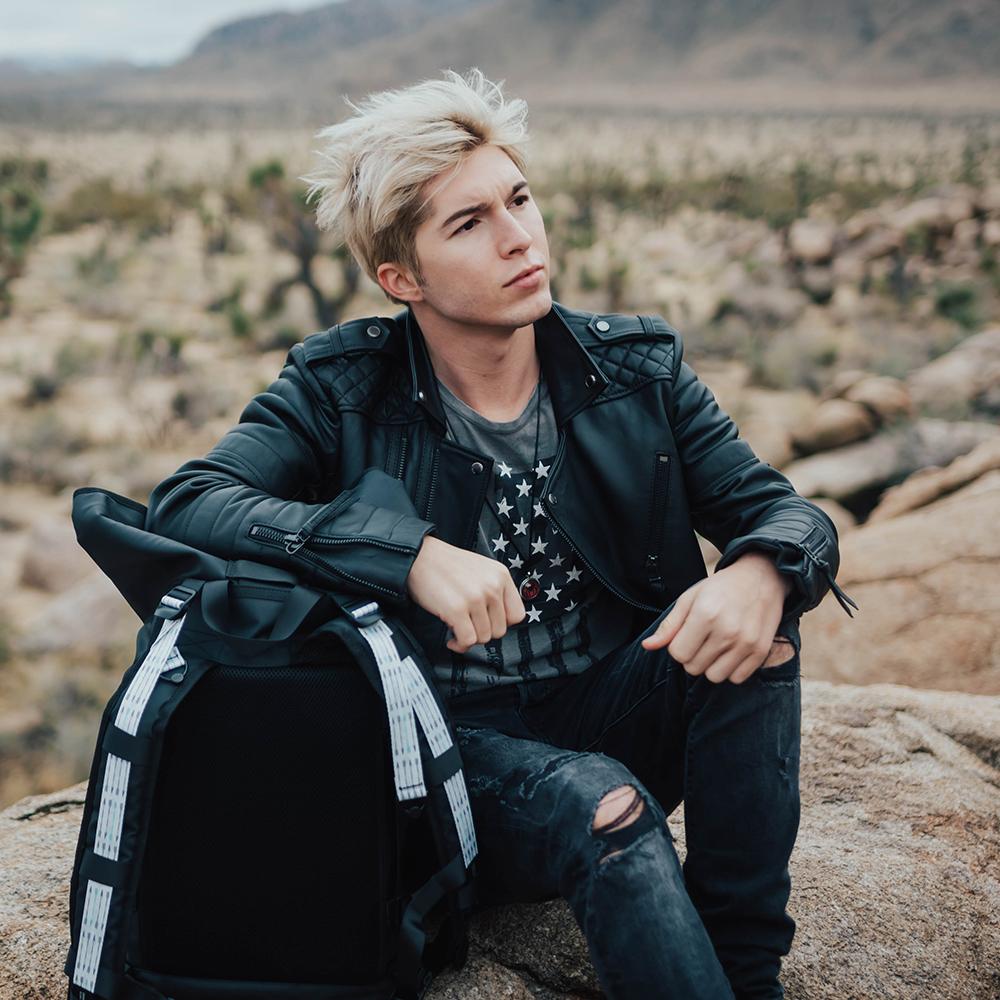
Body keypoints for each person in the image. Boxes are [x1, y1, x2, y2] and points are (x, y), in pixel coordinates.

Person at [144, 67, 857, 999]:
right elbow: (191, 500)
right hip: (439, 754)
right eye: (469, 223)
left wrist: (763, 569)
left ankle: (743, 974)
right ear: (401, 277)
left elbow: (783, 511)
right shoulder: (339, 388)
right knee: (603, 803)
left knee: (759, 640)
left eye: (518, 199)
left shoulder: (634, 370)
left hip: (608, 699)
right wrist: (404, 555)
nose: (520, 237)